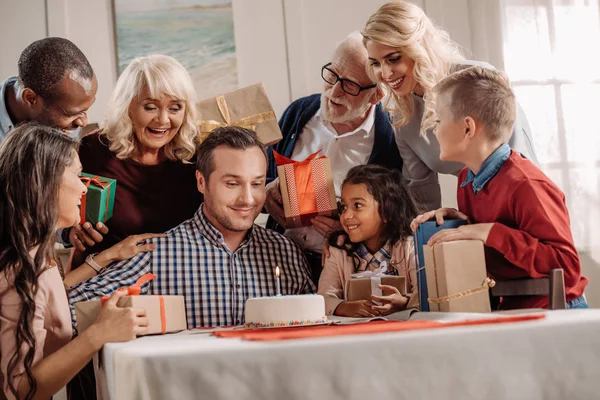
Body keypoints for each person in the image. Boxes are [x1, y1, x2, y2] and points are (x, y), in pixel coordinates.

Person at [69, 126, 315, 329]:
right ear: (201, 182)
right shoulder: (156, 254)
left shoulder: (286, 252)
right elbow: (69, 311)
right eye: (232, 184)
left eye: (257, 183)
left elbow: (317, 327)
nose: (248, 199)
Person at [410, 66, 588, 310]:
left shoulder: (527, 184)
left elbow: (567, 268)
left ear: (468, 128)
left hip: (557, 313)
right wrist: (464, 224)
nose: (434, 130)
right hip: (515, 308)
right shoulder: (466, 180)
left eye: (439, 120)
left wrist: (491, 232)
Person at [0, 123, 147, 400]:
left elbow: (47, 295)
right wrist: (99, 334)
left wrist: (109, 256)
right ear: (43, 180)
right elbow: (20, 391)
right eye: (77, 175)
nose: (83, 189)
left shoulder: (30, 252)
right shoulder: (19, 270)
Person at [362, 1, 539, 211]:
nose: (385, 73)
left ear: (418, 48)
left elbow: (520, 161)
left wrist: (485, 226)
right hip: (476, 213)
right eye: (376, 63)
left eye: (393, 59)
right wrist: (427, 232)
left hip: (523, 207)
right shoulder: (401, 115)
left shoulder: (479, 79)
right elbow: (421, 191)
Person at [265, 31, 402, 283]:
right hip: (278, 261)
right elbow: (261, 177)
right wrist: (269, 190)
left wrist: (350, 227)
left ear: (376, 96)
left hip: (345, 271)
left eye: (349, 84)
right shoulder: (298, 112)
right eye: (332, 75)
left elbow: (398, 217)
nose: (334, 92)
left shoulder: (391, 140)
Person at [64, 54, 203, 266]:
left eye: (175, 108)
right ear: (128, 106)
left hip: (177, 276)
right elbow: (57, 212)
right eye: (150, 107)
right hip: (104, 278)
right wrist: (72, 230)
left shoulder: (197, 154)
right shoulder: (93, 150)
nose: (163, 120)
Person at [318, 165, 419, 317]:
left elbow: (426, 295)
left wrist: (404, 302)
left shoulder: (410, 248)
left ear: (387, 211)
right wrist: (344, 307)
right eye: (343, 207)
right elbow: (323, 298)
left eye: (357, 205)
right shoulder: (338, 252)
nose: (346, 216)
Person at [0, 37, 97, 139]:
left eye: (84, 111)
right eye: (71, 114)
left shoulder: (68, 124)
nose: (83, 123)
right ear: (30, 98)